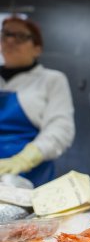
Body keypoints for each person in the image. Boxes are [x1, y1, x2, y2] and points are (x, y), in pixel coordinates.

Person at [0, 16, 75, 187]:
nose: (10, 40)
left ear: (37, 49)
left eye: (20, 36)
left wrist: (24, 159)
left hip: (31, 176)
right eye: (6, 34)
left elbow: (60, 128)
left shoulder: (52, 80)